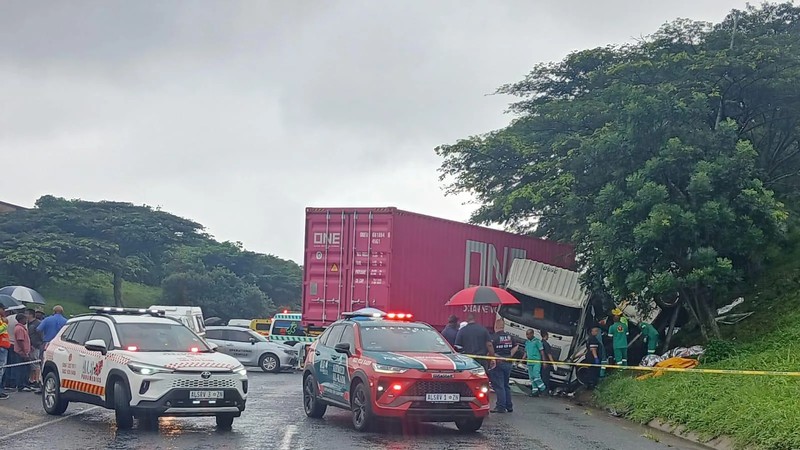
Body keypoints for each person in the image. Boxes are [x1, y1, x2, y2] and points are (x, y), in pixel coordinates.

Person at [488, 319, 517, 413]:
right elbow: (516, 346)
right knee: (506, 385)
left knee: (499, 386)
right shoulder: (509, 336)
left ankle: (500, 406)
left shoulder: (494, 337)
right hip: (508, 362)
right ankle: (509, 406)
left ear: (495, 326)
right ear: (503, 326)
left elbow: (490, 349)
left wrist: (496, 357)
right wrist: (510, 355)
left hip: (498, 363)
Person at [13, 313, 33, 392]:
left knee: (26, 369)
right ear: (21, 319)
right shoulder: (19, 329)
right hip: (21, 353)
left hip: (23, 352)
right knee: (22, 370)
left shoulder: (21, 328)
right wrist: (24, 352)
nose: (26, 320)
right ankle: (22, 385)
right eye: (25, 319)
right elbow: (20, 341)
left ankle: (25, 384)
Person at [524, 329, 547, 397]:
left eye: (528, 334)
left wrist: (544, 361)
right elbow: (526, 352)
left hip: (536, 361)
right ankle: (535, 391)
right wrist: (522, 360)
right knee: (531, 377)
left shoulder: (537, 341)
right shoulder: (527, 342)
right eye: (526, 334)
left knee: (536, 375)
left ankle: (543, 388)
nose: (527, 336)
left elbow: (542, 351)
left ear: (532, 334)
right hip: (529, 362)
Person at [27, 308, 44, 392]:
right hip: (30, 346)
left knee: (36, 363)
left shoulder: (38, 324)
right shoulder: (28, 323)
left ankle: (37, 380)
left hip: (36, 346)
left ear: (31, 315)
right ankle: (31, 379)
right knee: (31, 364)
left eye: (27, 314)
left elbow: (41, 335)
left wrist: (38, 344)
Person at [0, 306, 10, 399]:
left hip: (3, 347)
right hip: (1, 348)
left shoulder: (2, 320)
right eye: (3, 309)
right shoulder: (2, 321)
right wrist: (5, 324)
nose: (5, 311)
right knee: (1, 369)